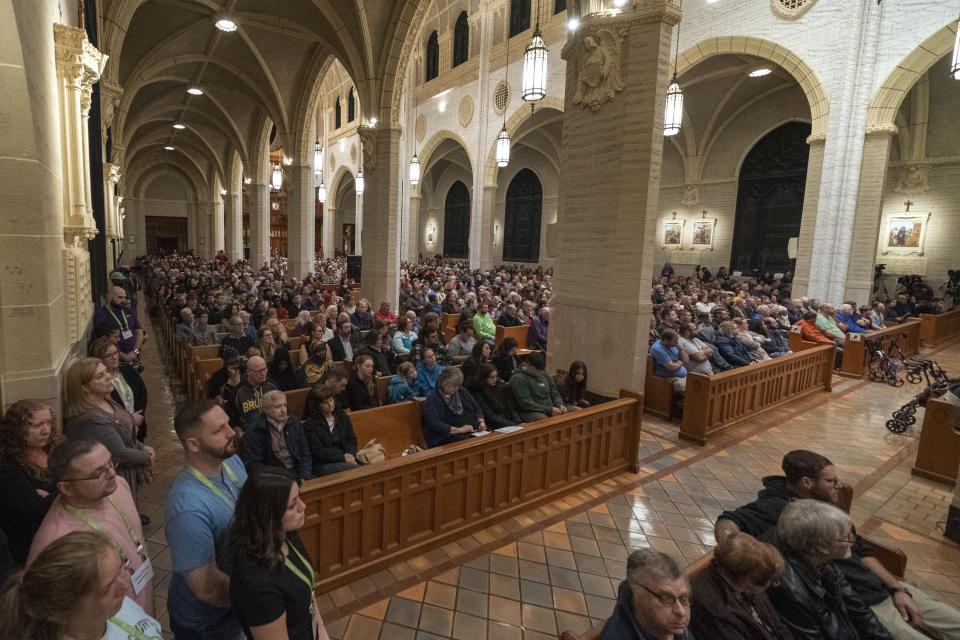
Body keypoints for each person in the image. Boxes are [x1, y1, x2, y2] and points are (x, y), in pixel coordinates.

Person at [716, 450, 960, 640]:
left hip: (883, 588)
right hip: (866, 604)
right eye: (831, 481)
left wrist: (897, 590)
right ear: (806, 483)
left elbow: (862, 552)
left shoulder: (829, 513)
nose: (839, 485)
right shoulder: (776, 511)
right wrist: (738, 550)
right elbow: (730, 520)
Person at [28, 439, 153, 613]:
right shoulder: (57, 541)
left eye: (110, 463)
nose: (110, 474)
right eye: (97, 473)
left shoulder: (118, 486)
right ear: (67, 489)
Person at [165, 401, 247, 640]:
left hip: (235, 603)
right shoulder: (187, 508)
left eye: (228, 424)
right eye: (219, 430)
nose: (231, 432)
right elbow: (207, 587)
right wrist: (260, 599)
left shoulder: (231, 461)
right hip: (207, 624)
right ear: (193, 444)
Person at [0, 530, 163, 640]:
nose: (124, 587)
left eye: (120, 568)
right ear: (61, 612)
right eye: (106, 590)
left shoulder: (117, 606)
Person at [767, 500, 893, 640]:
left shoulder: (817, 555)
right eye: (846, 538)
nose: (852, 541)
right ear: (822, 546)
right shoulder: (790, 591)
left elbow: (858, 608)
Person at [228, 468, 330, 640]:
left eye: (299, 497)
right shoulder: (256, 584)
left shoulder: (284, 534)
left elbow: (309, 599)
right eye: (292, 505)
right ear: (267, 515)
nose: (303, 506)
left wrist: (322, 632)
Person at [64, 358, 154, 512]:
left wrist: (141, 446)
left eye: (105, 371)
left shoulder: (107, 401)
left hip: (127, 472)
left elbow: (126, 433)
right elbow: (120, 454)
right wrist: (147, 455)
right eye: (100, 376)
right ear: (85, 388)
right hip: (113, 477)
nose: (108, 376)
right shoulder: (90, 420)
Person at [689, 532, 794, 640]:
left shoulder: (751, 573)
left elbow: (777, 625)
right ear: (743, 578)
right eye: (767, 582)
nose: (769, 585)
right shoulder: (712, 606)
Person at [0, 400, 60, 566]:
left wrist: (50, 497)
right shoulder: (8, 467)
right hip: (33, 543)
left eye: (48, 422)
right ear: (17, 429)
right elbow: (36, 510)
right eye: (37, 425)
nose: (45, 430)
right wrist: (65, 489)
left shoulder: (53, 448)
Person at [598, 549, 694, 640]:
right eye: (666, 599)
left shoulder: (670, 627)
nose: (681, 612)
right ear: (637, 596)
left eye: (683, 598)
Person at [241, 390, 312, 481]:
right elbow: (254, 466)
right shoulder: (255, 432)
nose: (283, 410)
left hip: (297, 473)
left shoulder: (294, 423)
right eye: (278, 407)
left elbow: (305, 454)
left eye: (285, 405)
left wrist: (304, 477)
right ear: (266, 410)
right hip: (274, 479)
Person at [88, 336, 149, 442]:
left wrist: (139, 416)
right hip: (118, 433)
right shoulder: (99, 382)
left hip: (138, 424)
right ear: (99, 359)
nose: (114, 357)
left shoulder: (128, 370)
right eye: (108, 355)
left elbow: (142, 393)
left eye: (116, 353)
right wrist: (130, 419)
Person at [302, 386, 360, 476]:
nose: (330, 405)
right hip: (324, 463)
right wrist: (343, 457)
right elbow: (319, 452)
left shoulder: (342, 416)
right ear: (317, 406)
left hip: (346, 457)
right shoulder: (310, 424)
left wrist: (350, 454)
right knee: (356, 470)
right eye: (325, 403)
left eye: (331, 400)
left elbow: (352, 439)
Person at [421, 367, 486, 447]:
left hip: (468, 430)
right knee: (469, 443)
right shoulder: (432, 399)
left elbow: (477, 408)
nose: (457, 388)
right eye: (454, 385)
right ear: (444, 383)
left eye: (458, 385)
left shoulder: (461, 391)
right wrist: (459, 430)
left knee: (488, 438)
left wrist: (481, 422)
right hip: (445, 437)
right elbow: (434, 424)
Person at [93, 285, 145, 366]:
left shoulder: (128, 311)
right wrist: (122, 356)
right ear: (110, 298)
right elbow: (102, 341)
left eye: (125, 297)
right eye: (120, 297)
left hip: (134, 356)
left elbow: (139, 331)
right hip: (116, 360)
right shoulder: (101, 314)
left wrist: (135, 351)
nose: (123, 300)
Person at [510, 351, 568, 422]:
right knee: (545, 421)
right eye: (537, 369)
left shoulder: (543, 373)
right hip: (530, 412)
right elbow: (526, 403)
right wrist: (548, 409)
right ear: (528, 364)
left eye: (542, 369)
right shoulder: (518, 378)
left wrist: (560, 404)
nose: (540, 372)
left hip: (552, 408)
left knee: (574, 413)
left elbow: (554, 393)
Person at [230, 355, 279, 434]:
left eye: (264, 369)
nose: (263, 373)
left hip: (273, 431)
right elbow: (232, 421)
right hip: (249, 434)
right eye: (259, 371)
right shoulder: (237, 392)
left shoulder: (273, 386)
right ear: (249, 372)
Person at [472, 363, 521, 429]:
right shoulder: (478, 391)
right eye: (492, 377)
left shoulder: (500, 386)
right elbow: (489, 415)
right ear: (484, 377)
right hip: (493, 424)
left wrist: (518, 421)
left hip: (507, 421)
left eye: (496, 377)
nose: (495, 379)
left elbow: (510, 407)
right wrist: (512, 424)